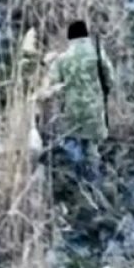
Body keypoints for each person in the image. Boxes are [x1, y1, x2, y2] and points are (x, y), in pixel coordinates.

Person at [40, 19, 115, 183]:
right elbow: (110, 79)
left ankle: (75, 178)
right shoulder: (97, 53)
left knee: (72, 140)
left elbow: (52, 86)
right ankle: (93, 182)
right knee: (92, 148)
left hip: (71, 109)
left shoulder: (62, 59)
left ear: (70, 38)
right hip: (94, 109)